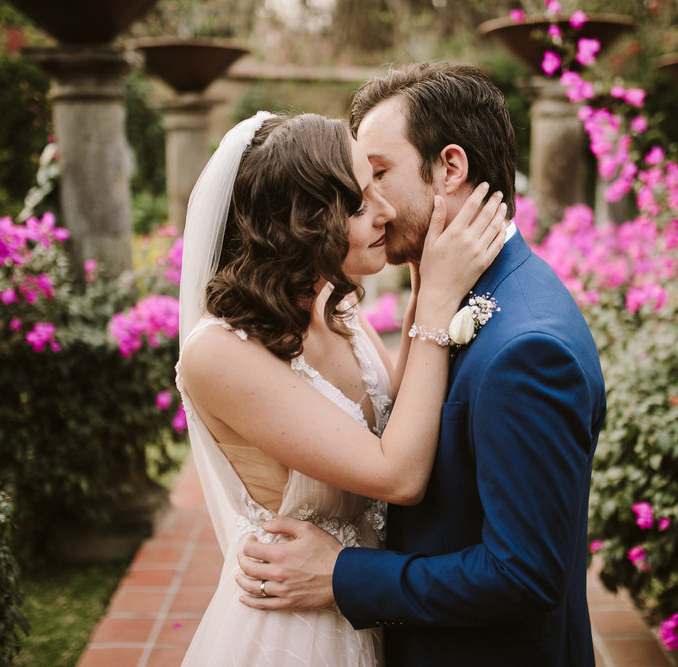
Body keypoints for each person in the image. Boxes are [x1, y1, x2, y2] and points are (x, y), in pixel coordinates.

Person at [235, 63, 607, 666]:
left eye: (379, 173)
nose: (366, 202)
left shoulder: (529, 349)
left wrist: (341, 575)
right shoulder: (454, 291)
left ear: (450, 169)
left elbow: (526, 574)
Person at [176, 111, 507, 666]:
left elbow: (396, 413)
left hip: (360, 594)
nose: (386, 209)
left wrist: (424, 283)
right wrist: (435, 307)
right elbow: (396, 474)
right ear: (302, 222)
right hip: (299, 628)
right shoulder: (218, 353)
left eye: (377, 183)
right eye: (358, 203)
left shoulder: (336, 304)